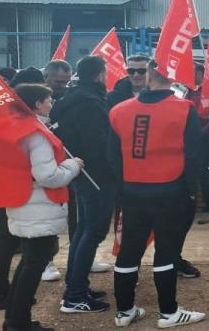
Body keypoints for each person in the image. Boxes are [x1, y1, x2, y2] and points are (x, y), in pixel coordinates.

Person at [106, 61, 206, 327]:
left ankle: (124, 311)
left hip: (132, 190)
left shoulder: (118, 111)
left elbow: (113, 158)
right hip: (171, 189)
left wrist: (123, 187)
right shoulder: (184, 108)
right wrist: (190, 190)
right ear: (172, 78)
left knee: (129, 250)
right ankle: (169, 312)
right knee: (167, 251)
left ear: (147, 77)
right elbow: (194, 154)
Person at [0, 83, 82, 331]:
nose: (52, 104)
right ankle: (17, 322)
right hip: (39, 207)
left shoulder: (15, 128)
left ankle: (14, 319)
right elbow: (49, 176)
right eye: (49, 100)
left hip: (23, 204)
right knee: (32, 266)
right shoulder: (35, 133)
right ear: (36, 104)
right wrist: (73, 166)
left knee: (28, 264)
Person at [51, 56, 116, 313]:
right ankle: (75, 295)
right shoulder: (90, 102)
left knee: (83, 230)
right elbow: (97, 143)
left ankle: (76, 284)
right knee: (93, 232)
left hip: (80, 172)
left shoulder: (71, 98)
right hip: (96, 175)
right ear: (100, 75)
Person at [190, 64, 209, 226]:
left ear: (200, 73)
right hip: (193, 134)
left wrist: (202, 132)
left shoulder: (207, 91)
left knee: (202, 170)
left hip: (203, 135)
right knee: (196, 169)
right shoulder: (190, 90)